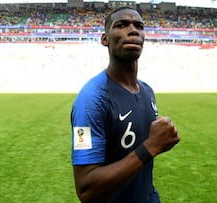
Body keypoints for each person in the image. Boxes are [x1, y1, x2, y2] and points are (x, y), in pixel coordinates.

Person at [70, 6, 180, 203]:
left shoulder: (147, 92)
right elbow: (86, 189)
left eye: (139, 26)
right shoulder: (90, 101)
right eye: (121, 25)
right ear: (105, 39)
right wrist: (151, 146)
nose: (133, 30)